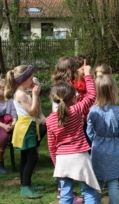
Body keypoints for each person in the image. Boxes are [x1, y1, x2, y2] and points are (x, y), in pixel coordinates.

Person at [46, 60, 101, 204]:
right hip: (80, 156)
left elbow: (51, 145)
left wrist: (55, 162)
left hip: (62, 159)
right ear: (74, 98)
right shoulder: (76, 111)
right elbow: (91, 96)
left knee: (65, 195)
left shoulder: (50, 120)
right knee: (88, 191)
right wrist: (88, 75)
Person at [87, 74, 119, 203]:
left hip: (97, 148)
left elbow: (89, 132)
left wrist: (95, 140)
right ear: (113, 90)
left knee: (98, 182)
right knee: (113, 182)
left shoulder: (93, 111)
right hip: (114, 149)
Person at [4, 65, 43, 198]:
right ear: (23, 80)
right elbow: (31, 111)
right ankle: (25, 187)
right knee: (32, 157)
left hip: (29, 127)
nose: (33, 81)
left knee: (25, 158)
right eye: (31, 79)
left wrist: (32, 94)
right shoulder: (21, 94)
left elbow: (34, 110)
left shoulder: (24, 91)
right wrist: (35, 95)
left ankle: (26, 184)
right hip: (25, 129)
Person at [51, 56, 84, 203]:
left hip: (61, 124)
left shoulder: (59, 85)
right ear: (71, 70)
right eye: (76, 68)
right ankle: (66, 193)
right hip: (65, 126)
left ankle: (66, 194)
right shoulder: (65, 88)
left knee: (63, 168)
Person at [0, 78, 17, 174]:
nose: (6, 90)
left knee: (23, 130)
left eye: (6, 88)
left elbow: (14, 114)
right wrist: (4, 126)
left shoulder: (9, 100)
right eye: (3, 89)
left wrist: (14, 123)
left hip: (8, 121)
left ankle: (29, 158)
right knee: (4, 136)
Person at [74, 55, 92, 146]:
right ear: (76, 69)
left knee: (89, 141)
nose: (85, 71)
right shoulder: (73, 82)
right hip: (77, 118)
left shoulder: (89, 81)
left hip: (88, 118)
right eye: (82, 69)